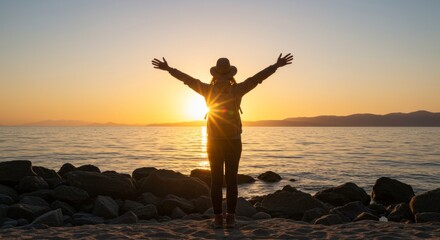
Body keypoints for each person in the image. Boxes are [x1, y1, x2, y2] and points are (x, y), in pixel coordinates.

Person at [151, 53, 293, 228]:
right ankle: (230, 219)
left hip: (214, 141)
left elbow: (186, 80)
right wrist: (275, 66)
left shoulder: (207, 89)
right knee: (231, 180)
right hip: (233, 141)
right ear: (230, 75)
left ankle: (218, 219)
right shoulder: (237, 89)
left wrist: (169, 69)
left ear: (215, 75)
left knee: (217, 181)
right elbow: (257, 79)